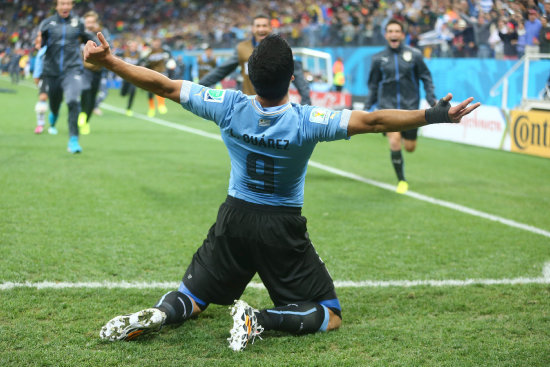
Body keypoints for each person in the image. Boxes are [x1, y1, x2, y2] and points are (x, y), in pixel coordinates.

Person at [84, 32, 479, 351]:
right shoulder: (308, 121)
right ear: (291, 78)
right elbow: (374, 120)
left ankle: (164, 313)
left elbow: (166, 86)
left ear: (251, 77)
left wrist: (110, 61)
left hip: (233, 218)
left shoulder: (227, 105)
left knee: (194, 295)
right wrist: (438, 114)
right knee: (330, 312)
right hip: (281, 226)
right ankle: (260, 319)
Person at [364, 19, 437, 194]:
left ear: (402, 35)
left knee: (410, 148)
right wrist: (367, 107)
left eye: (397, 31)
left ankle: (407, 138)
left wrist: (431, 98)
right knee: (394, 140)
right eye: (390, 31)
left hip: (410, 108)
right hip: (387, 108)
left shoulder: (415, 55)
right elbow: (373, 85)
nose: (394, 34)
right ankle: (402, 181)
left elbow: (426, 77)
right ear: (386, 35)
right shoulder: (378, 59)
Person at [199, 14, 311, 105]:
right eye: (258, 26)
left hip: (276, 108)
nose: (261, 29)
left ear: (270, 28)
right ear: (253, 29)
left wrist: (306, 100)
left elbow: (298, 76)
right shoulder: (242, 48)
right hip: (249, 105)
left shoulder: (281, 48)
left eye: (264, 26)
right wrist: (199, 85)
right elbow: (221, 71)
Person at [34, 0, 93, 153]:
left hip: (72, 70)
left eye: (68, 3)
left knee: (73, 101)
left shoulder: (78, 23)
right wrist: (38, 43)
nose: (65, 6)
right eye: (62, 4)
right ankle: (53, 114)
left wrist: (99, 45)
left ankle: (73, 140)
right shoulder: (47, 24)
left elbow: (90, 39)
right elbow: (40, 45)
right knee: (55, 103)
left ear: (72, 6)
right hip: (52, 72)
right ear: (57, 6)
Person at [79, 10, 111, 135]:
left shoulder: (101, 35)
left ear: (96, 23)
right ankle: (82, 113)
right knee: (85, 89)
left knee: (92, 98)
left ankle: (86, 121)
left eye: (92, 22)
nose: (90, 24)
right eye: (88, 22)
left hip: (97, 70)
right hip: (83, 69)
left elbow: (108, 47)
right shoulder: (80, 34)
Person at [140, 38, 172, 117]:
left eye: (157, 42)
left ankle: (161, 104)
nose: (156, 44)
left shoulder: (164, 50)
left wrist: (170, 61)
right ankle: (151, 108)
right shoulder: (149, 52)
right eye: (154, 42)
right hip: (152, 73)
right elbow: (142, 62)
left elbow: (170, 58)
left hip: (162, 72)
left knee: (162, 88)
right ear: (152, 43)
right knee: (150, 91)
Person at [116, 40, 141, 116]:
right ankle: (124, 92)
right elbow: (116, 54)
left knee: (133, 91)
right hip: (125, 76)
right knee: (123, 93)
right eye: (132, 46)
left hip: (134, 77)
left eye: (135, 46)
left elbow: (141, 64)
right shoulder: (124, 53)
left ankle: (129, 109)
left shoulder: (139, 55)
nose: (133, 48)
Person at [33, 46, 48, 134]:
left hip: (61, 76)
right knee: (42, 98)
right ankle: (40, 124)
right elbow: (39, 62)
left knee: (56, 103)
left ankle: (53, 124)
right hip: (46, 75)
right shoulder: (43, 51)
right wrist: (36, 75)